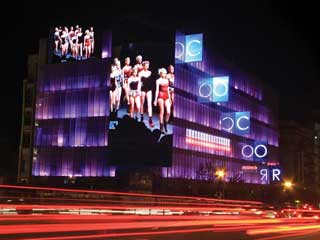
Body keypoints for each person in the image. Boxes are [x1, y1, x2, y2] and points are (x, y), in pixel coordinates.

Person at [154, 68, 171, 133]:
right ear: (160, 73)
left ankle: (165, 124)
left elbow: (168, 90)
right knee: (162, 111)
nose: (165, 74)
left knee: (168, 112)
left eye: (165, 73)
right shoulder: (158, 80)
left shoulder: (167, 80)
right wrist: (155, 100)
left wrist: (169, 99)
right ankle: (161, 126)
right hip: (160, 96)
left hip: (166, 96)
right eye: (163, 73)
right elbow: (157, 90)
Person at [139, 61, 154, 127]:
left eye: (148, 65)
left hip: (149, 89)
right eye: (146, 65)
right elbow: (139, 83)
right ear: (143, 66)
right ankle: (142, 116)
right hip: (143, 89)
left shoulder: (150, 72)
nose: (147, 66)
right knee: (142, 102)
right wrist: (139, 90)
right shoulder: (140, 73)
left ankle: (150, 119)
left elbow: (152, 81)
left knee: (149, 104)